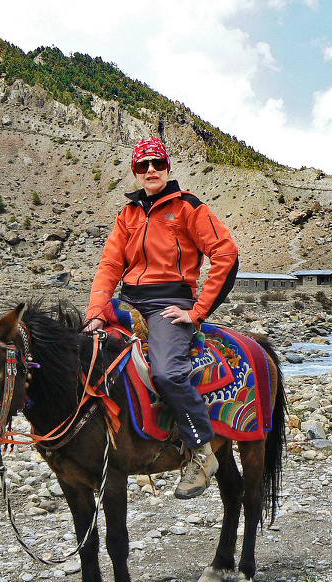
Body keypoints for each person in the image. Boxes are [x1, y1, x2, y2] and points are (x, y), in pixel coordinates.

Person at [84, 138, 239, 499]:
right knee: (81, 350)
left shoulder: (188, 208)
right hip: (129, 299)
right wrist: (95, 312)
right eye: (142, 166)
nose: (150, 170)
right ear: (135, 172)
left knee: (167, 372)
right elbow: (110, 265)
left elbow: (225, 252)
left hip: (169, 302)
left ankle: (200, 451)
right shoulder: (128, 214)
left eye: (156, 164)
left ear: (167, 167)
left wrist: (197, 311)